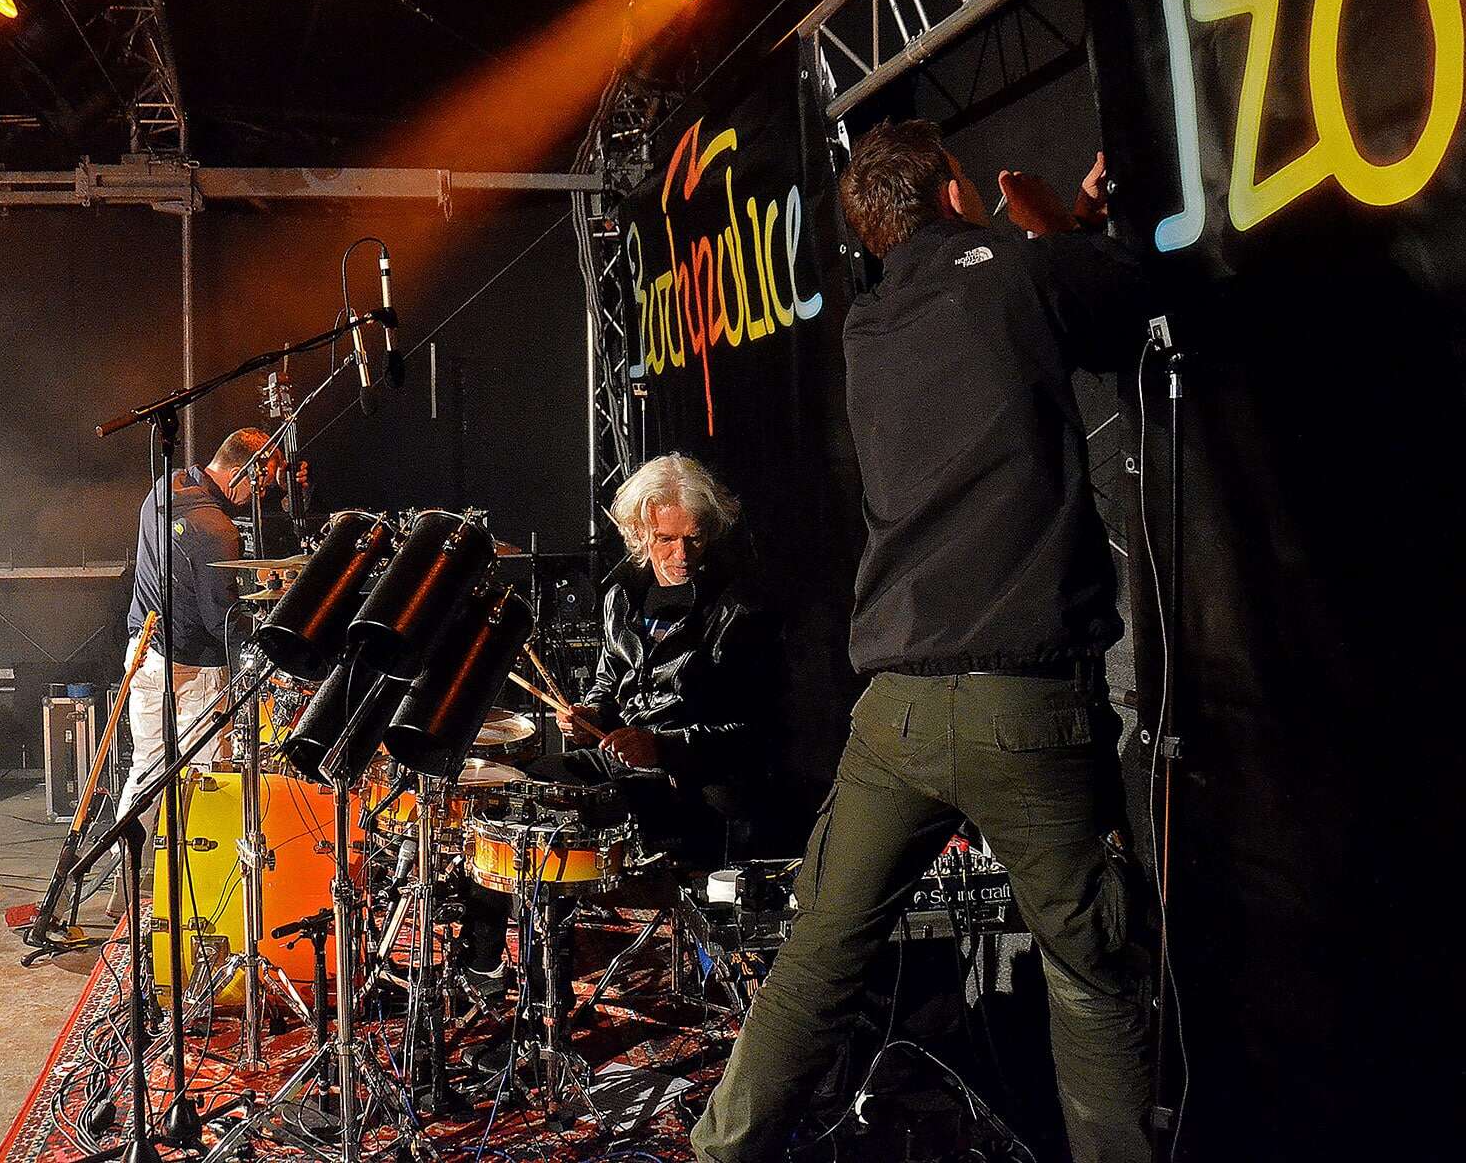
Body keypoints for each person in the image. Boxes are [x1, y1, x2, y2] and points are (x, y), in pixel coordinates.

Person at [692, 121, 1153, 1163]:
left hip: (895, 710)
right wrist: (1067, 228)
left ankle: (719, 1152)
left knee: (815, 962)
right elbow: (1119, 301)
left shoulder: (869, 323)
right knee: (1091, 972)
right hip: (1023, 698)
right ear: (951, 193)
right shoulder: (1015, 272)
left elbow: (999, 315)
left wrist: (1053, 236)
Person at [458, 454, 783, 1007]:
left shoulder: (740, 609)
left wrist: (662, 746)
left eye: (693, 539)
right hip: (621, 760)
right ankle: (486, 960)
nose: (681, 555)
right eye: (665, 539)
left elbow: (757, 732)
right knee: (507, 799)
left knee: (558, 824)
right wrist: (587, 715)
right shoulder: (622, 594)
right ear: (640, 532)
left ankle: (550, 999)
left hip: (692, 778)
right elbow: (610, 682)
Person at [115, 426, 300, 825]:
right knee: (205, 776)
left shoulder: (166, 489)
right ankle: (196, 859)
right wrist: (269, 646)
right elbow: (222, 621)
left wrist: (286, 488)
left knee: (146, 768)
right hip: (193, 668)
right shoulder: (217, 531)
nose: (259, 497)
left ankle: (127, 862)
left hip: (145, 652)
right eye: (262, 486)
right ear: (244, 473)